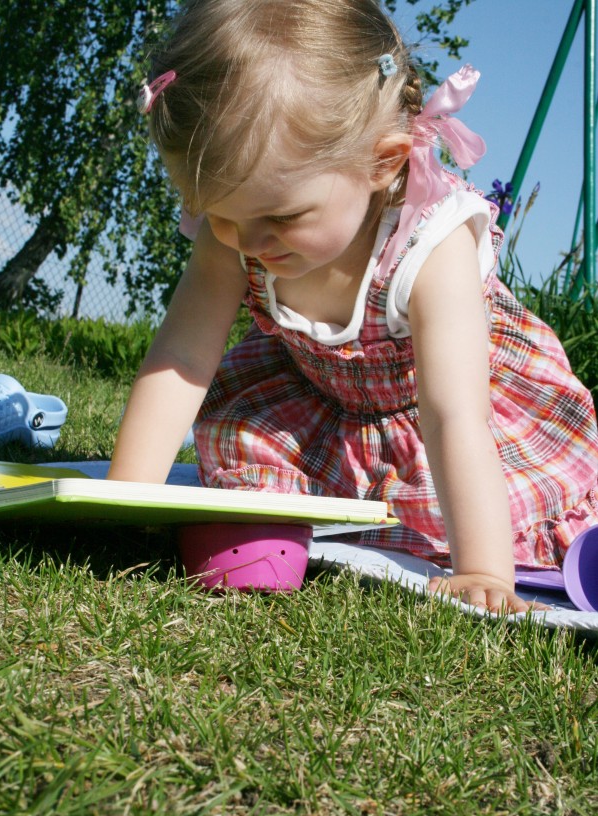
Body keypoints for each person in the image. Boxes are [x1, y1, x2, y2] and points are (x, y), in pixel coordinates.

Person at [109, 0, 598, 613]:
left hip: (454, 418)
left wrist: (484, 570)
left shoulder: (431, 242)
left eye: (282, 218)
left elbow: (454, 415)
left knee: (463, 513)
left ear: (381, 162)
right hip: (321, 404)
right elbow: (182, 355)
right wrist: (125, 498)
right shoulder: (235, 230)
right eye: (222, 215)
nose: (250, 243)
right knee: (242, 446)